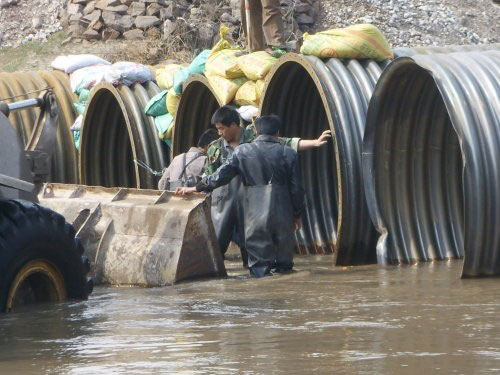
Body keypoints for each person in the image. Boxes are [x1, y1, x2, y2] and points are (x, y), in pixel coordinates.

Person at [177, 115, 304, 277]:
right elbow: (296, 189)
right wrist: (297, 214)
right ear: (277, 133)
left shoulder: (242, 151)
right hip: (283, 216)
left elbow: (219, 176)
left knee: (259, 269)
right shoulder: (289, 153)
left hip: (254, 216)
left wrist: (196, 187)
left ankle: (266, 297)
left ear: (256, 131)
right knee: (285, 266)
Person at [203, 106, 331, 266]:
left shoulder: (254, 135)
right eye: (218, 129)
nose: (220, 133)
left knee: (251, 247)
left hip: (251, 203)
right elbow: (210, 177)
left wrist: (314, 142)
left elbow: (285, 143)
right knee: (216, 246)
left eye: (222, 129)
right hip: (224, 204)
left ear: (234, 125)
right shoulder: (215, 148)